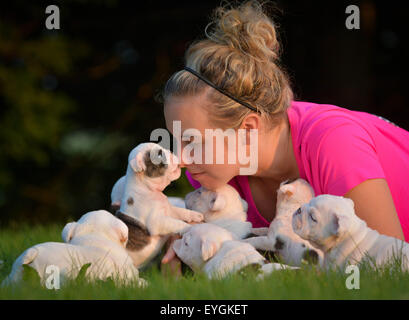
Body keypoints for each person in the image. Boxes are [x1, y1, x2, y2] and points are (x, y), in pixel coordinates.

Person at [157, 0, 409, 271]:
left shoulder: (335, 142)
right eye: (177, 139)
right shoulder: (214, 174)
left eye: (193, 141)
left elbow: (391, 271)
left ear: (248, 128)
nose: (181, 159)